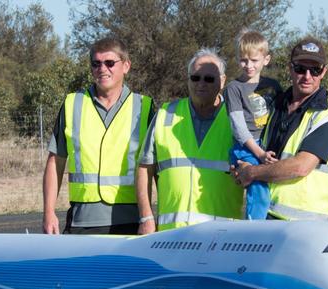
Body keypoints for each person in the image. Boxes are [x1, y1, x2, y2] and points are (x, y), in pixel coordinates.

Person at [42, 37, 153, 235]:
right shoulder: (72, 104)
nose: (102, 69)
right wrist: (48, 212)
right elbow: (55, 162)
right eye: (96, 63)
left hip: (132, 221)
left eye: (110, 63)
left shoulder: (144, 107)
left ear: (126, 66)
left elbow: (157, 168)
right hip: (82, 221)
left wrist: (150, 218)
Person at [232, 37, 328, 222]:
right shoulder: (274, 105)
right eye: (300, 68)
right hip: (266, 216)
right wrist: (241, 167)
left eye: (315, 70)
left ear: (324, 71)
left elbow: (301, 167)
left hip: (304, 227)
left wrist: (252, 172)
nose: (307, 76)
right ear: (290, 68)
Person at [135, 48, 243, 233]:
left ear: (222, 81)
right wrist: (146, 217)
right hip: (172, 235)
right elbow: (144, 168)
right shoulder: (165, 114)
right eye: (195, 77)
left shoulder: (236, 119)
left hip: (222, 237)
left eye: (209, 78)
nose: (201, 83)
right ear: (188, 79)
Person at [225, 30, 282, 219]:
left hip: (267, 144)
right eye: (244, 60)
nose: (249, 65)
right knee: (258, 193)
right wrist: (259, 153)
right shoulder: (234, 88)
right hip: (247, 148)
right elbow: (238, 127)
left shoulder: (273, 85)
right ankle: (254, 230)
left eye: (254, 60)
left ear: (266, 59)